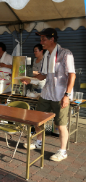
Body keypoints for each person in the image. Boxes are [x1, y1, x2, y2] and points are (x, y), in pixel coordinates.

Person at [21, 28, 76, 162]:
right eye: (40, 39)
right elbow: (43, 75)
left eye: (43, 39)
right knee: (37, 119)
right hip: (47, 93)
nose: (41, 42)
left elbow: (72, 75)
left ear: (52, 39)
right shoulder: (46, 55)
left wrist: (67, 95)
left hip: (60, 94)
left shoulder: (65, 54)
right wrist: (30, 79)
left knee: (61, 124)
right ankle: (38, 141)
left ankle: (63, 151)